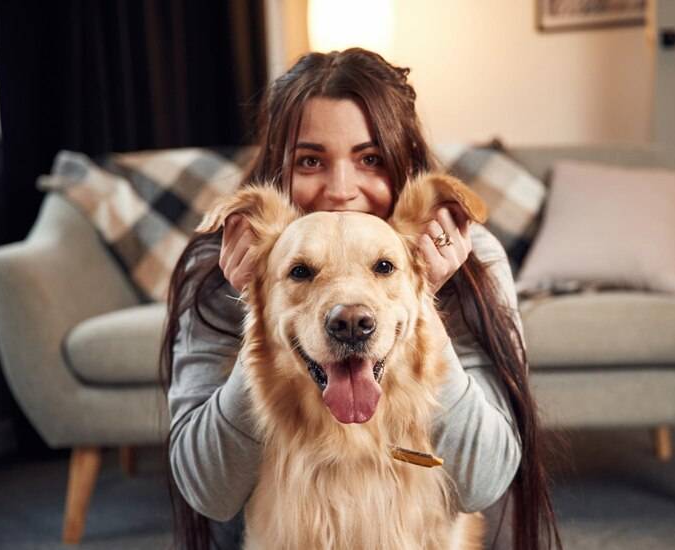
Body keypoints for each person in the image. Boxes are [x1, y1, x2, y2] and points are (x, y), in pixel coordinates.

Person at [160, 48, 561, 550]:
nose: (341, 190)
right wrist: (260, 309)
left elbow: (483, 480)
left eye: (370, 159)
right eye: (310, 160)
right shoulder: (224, 262)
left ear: (404, 159)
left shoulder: (470, 255)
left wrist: (419, 302)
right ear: (277, 167)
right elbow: (210, 493)